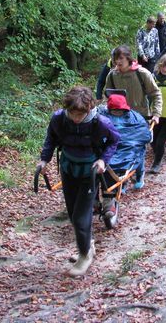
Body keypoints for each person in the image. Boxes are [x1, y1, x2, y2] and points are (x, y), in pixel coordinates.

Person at [38, 86, 120, 276]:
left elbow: (115, 141)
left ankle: (84, 256)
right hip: (68, 170)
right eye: (72, 113)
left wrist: (102, 160)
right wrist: (44, 159)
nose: (76, 117)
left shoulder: (101, 123)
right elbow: (50, 139)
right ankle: (88, 245)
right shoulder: (59, 118)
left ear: (90, 108)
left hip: (89, 174)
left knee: (80, 217)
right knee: (73, 212)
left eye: (80, 114)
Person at [98, 93, 151, 196]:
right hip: (111, 147)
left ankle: (139, 176)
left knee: (137, 154)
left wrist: (132, 142)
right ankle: (119, 184)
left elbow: (143, 135)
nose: (117, 113)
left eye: (120, 111)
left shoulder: (135, 118)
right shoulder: (102, 116)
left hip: (129, 146)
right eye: (115, 111)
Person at [105, 45, 162, 124]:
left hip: (141, 119)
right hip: (119, 120)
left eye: (121, 58)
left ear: (128, 58)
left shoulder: (142, 73)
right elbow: (108, 96)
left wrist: (156, 114)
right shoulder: (112, 75)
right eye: (116, 59)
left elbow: (156, 94)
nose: (118, 61)